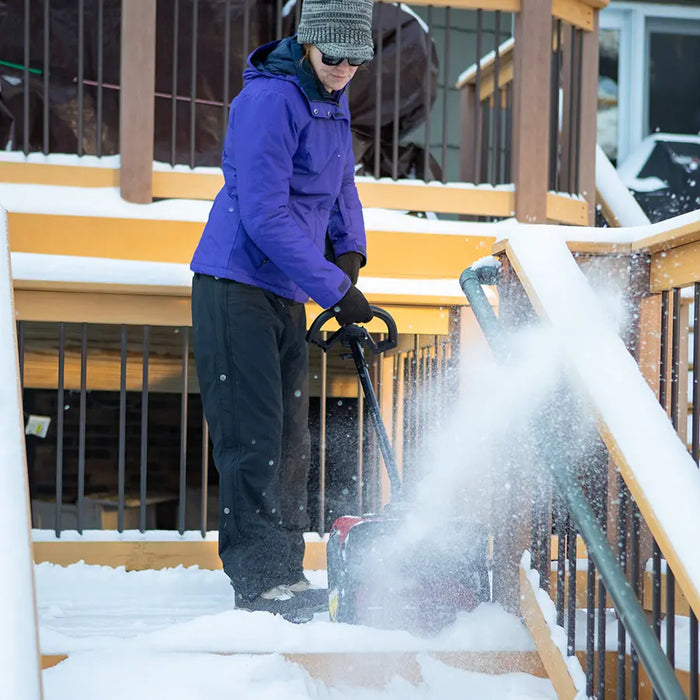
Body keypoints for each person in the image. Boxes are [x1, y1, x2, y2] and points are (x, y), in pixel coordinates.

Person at [189, 0, 375, 622]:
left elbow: (341, 179)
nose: (346, 69)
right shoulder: (270, 101)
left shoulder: (331, 92)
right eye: (336, 56)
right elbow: (264, 212)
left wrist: (350, 250)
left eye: (357, 58)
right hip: (235, 283)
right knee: (254, 438)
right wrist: (333, 287)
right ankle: (259, 582)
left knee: (291, 439)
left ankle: (286, 574)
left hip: (286, 287)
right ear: (309, 43)